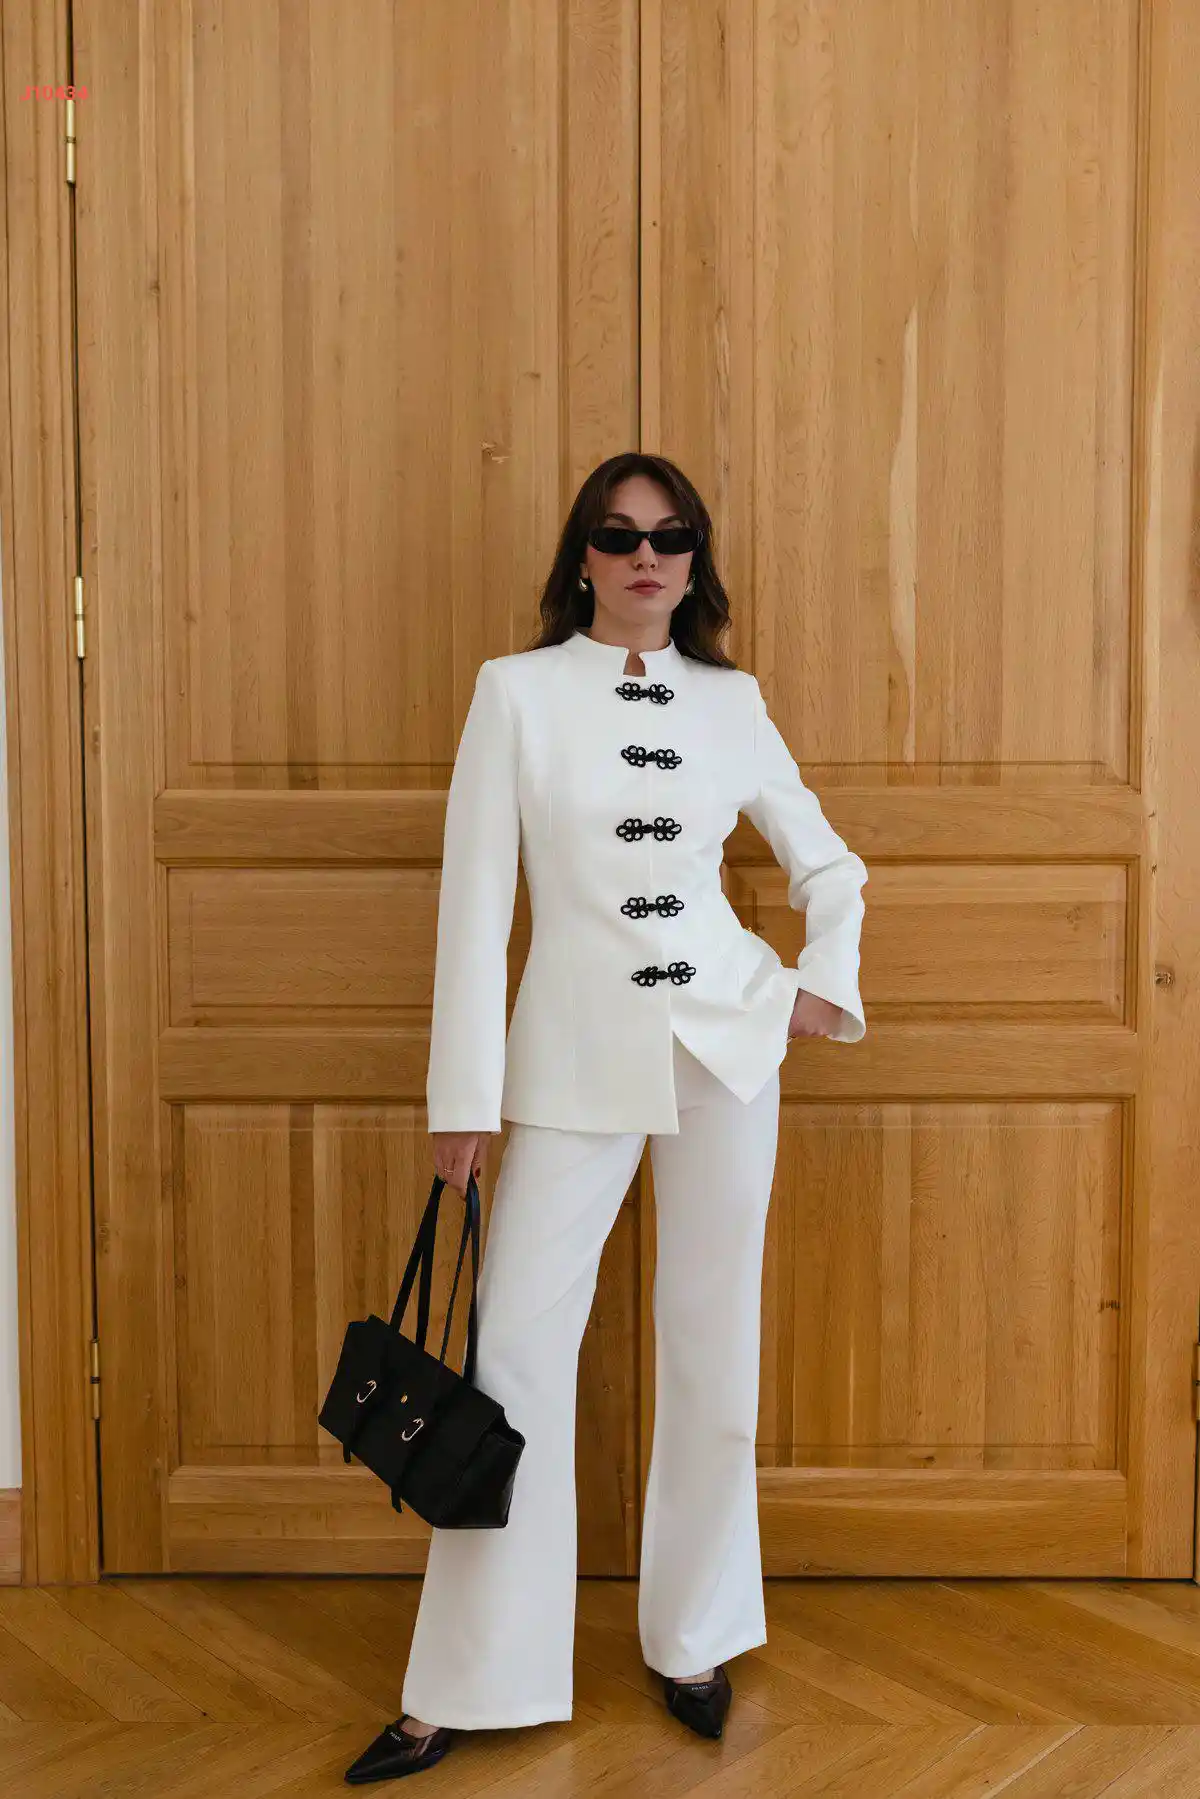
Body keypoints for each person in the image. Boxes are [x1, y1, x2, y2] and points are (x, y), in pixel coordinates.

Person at [344, 451, 868, 1784]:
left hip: (723, 1050)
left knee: (714, 1345)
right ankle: (470, 1676)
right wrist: (463, 1101)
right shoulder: (516, 693)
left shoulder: (732, 702)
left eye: (670, 536)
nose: (646, 556)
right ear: (583, 555)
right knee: (514, 1356)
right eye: (621, 534)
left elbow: (828, 863)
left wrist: (817, 984)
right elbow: (475, 907)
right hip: (572, 1061)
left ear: (694, 561)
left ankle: (696, 1635)